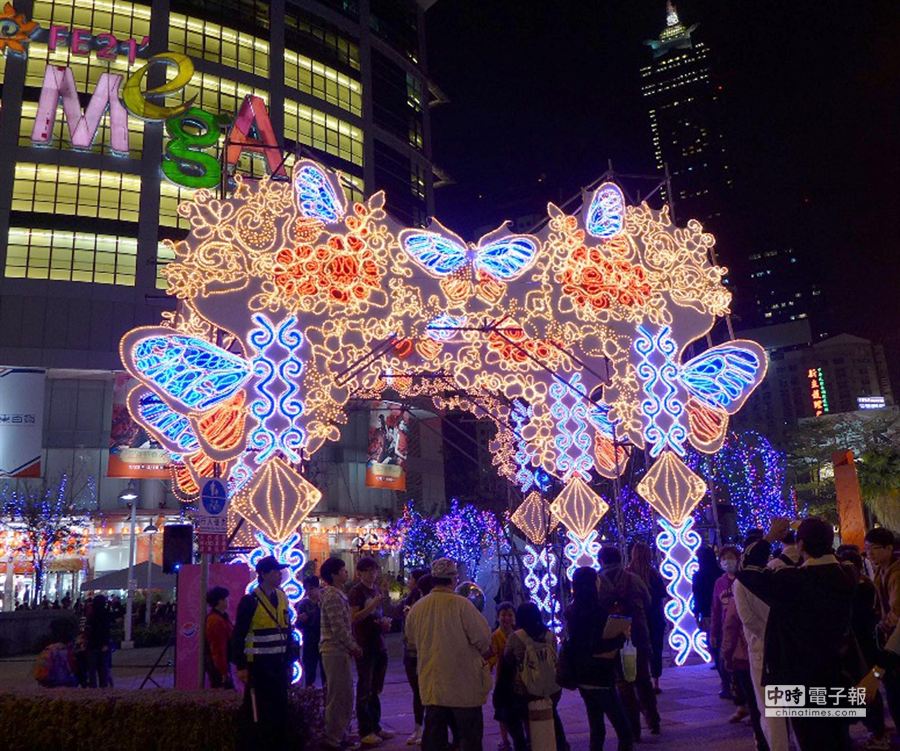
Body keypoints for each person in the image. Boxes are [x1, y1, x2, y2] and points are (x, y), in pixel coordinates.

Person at [737, 517, 857, 751]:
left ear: (801, 545)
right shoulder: (848, 575)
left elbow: (746, 570)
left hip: (797, 676)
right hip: (840, 671)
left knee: (810, 739)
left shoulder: (791, 581)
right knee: (840, 737)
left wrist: (769, 537)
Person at [405, 558, 493, 751]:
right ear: (453, 580)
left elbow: (411, 642)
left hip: (433, 688)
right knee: (469, 740)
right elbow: (484, 640)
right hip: (463, 688)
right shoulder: (462, 605)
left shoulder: (417, 608)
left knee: (435, 740)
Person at [564, 565, 632, 751]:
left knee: (597, 728)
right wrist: (620, 636)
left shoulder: (572, 611)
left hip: (582, 675)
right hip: (601, 675)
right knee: (624, 731)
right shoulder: (598, 612)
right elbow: (599, 644)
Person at [231, 555, 296, 748]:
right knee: (257, 710)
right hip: (258, 665)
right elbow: (238, 634)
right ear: (263, 574)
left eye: (280, 571)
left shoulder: (282, 597)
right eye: (275, 572)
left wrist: (291, 660)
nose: (280, 575)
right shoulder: (250, 601)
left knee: (280, 707)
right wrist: (241, 666)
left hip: (279, 663)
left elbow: (288, 630)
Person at [597, 546, 660, 739]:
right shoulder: (634, 579)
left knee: (623, 684)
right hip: (638, 636)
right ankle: (653, 720)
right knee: (642, 680)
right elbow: (648, 602)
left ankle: (633, 728)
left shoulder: (598, 583)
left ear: (601, 561)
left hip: (614, 639)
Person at [735, 536, 790, 751]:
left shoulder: (743, 584)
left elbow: (747, 620)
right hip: (787, 648)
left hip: (762, 652)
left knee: (771, 708)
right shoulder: (779, 576)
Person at [837, 545, 890, 750]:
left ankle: (877, 732)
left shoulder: (858, 588)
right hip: (867, 645)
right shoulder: (866, 584)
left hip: (861, 647)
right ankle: (876, 730)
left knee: (866, 689)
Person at [496, 602, 568, 751]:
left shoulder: (517, 637)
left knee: (518, 719)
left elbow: (507, 659)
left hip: (524, 691)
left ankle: (524, 745)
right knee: (552, 715)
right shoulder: (550, 635)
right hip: (551, 688)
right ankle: (560, 745)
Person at [720, 566, 768, 751]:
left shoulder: (739, 588)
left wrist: (726, 652)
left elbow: (731, 624)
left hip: (746, 654)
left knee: (756, 700)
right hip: (771, 652)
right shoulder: (771, 582)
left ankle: (763, 740)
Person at [319, 556, 363, 751]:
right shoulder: (332, 596)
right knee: (338, 695)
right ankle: (332, 738)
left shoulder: (338, 594)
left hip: (340, 651)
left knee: (345, 694)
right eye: (343, 570)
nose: (346, 572)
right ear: (334, 574)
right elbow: (339, 628)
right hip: (334, 650)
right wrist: (353, 646)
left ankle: (340, 734)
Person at [349, 556, 393, 746]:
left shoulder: (375, 590)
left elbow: (378, 615)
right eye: (367, 571)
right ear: (359, 573)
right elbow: (354, 618)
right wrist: (373, 606)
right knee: (365, 687)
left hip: (379, 643)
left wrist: (384, 623)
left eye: (374, 570)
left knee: (376, 687)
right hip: (365, 644)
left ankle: (376, 726)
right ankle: (365, 729)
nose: (372, 574)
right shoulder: (356, 592)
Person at [865, 527, 900, 731]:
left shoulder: (896, 573)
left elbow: (896, 612)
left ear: (889, 548)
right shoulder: (881, 569)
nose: (869, 552)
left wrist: (883, 623)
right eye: (867, 548)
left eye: (874, 548)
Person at [627, 542, 668, 693]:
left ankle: (639, 680)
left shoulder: (628, 574)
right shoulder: (653, 574)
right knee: (656, 649)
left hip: (636, 618)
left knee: (638, 649)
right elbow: (662, 594)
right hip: (655, 617)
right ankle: (656, 681)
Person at [710, 546, 745, 712]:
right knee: (730, 665)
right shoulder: (719, 583)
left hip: (744, 630)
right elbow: (716, 609)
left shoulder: (744, 579)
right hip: (727, 629)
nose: (727, 561)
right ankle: (740, 702)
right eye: (724, 558)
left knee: (743, 666)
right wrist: (714, 632)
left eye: (731, 557)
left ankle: (746, 704)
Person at [403, 569, 431, 746]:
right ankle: (419, 728)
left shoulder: (426, 605)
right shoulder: (412, 599)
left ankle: (426, 730)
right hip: (411, 653)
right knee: (417, 692)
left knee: (426, 693)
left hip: (423, 654)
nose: (408, 581)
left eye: (411, 578)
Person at [489, 602, 516, 751]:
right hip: (501, 679)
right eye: (503, 615)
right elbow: (492, 658)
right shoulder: (495, 636)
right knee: (502, 712)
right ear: (498, 617)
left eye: (510, 615)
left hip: (517, 678)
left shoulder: (518, 634)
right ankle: (505, 740)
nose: (506, 618)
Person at [296, 575, 323, 688]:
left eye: (311, 588)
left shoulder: (324, 601)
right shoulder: (303, 604)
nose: (309, 592)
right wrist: (301, 620)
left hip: (323, 640)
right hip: (310, 641)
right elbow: (299, 624)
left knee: (325, 672)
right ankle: (310, 696)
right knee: (310, 672)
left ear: (318, 587)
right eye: (306, 589)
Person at [205, 586, 234, 689]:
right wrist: (223, 671)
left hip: (222, 663)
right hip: (219, 667)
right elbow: (218, 648)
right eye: (226, 599)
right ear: (220, 601)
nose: (228, 601)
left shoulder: (221, 617)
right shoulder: (215, 620)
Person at [85, 593, 112, 688]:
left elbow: (88, 629)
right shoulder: (105, 614)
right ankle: (103, 688)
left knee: (92, 669)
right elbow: (106, 630)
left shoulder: (91, 615)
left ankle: (93, 688)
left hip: (92, 644)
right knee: (102, 669)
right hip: (101, 644)